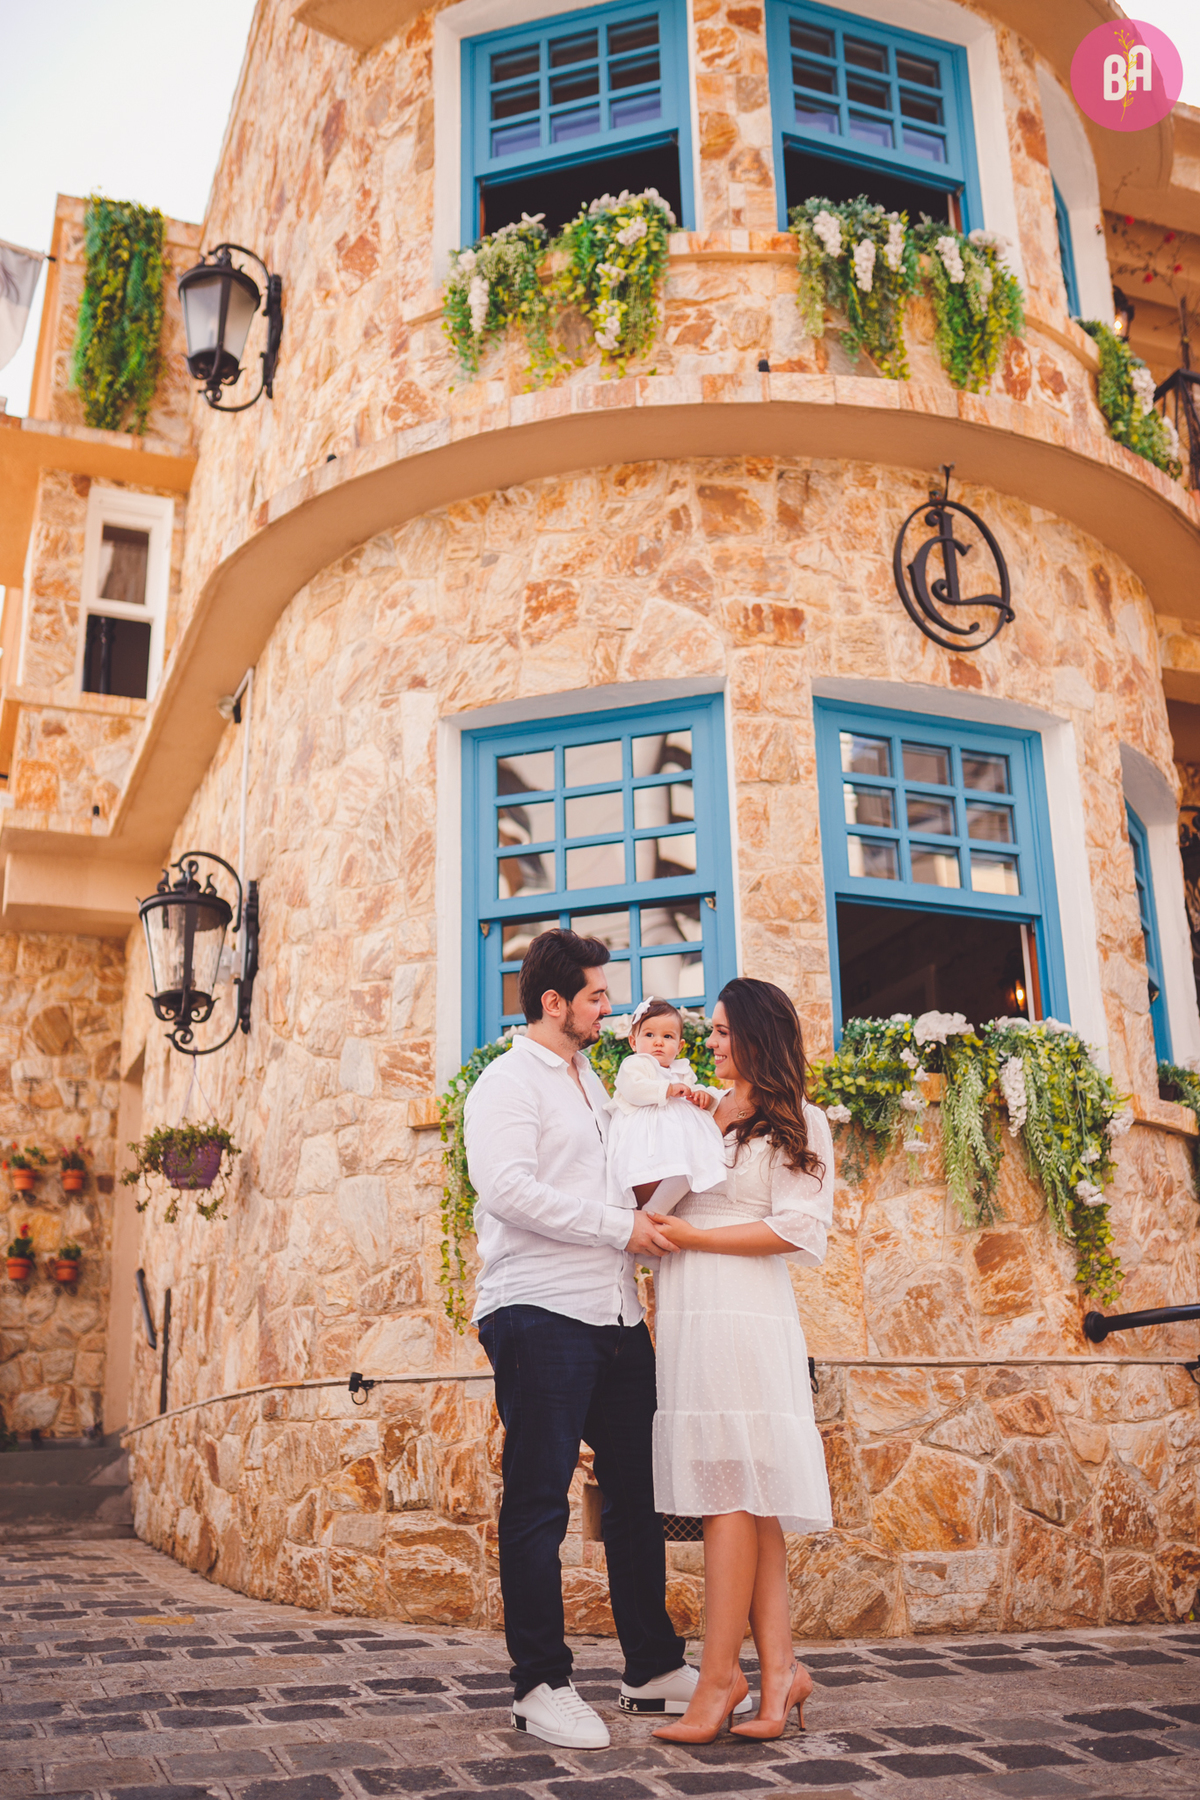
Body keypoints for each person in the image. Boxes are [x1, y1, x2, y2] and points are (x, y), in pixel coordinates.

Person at [465, 929, 709, 1751]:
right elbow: (506, 1190)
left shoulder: (594, 1083)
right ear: (554, 1003)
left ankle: (650, 1669)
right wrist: (619, 1226)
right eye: (598, 996)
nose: (612, 1007)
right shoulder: (506, 1084)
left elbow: (613, 1186)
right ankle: (539, 1684)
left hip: (614, 1317)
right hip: (537, 1313)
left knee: (638, 1496)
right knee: (537, 1503)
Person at [646, 977, 835, 1744]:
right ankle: (782, 1672)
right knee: (749, 1502)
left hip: (748, 1314)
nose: (710, 1042)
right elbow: (657, 1202)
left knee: (730, 1489)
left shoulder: (803, 1122)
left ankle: (720, 1677)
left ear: (758, 1035)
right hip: (691, 1312)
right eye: (710, 1032)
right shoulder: (698, 1111)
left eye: (723, 1032)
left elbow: (796, 1231)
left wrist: (693, 1238)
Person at [606, 996, 727, 1215]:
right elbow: (634, 1088)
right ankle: (649, 1212)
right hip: (643, 1138)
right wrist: (667, 1089)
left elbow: (692, 1088)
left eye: (667, 1036)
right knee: (648, 1174)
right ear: (633, 1042)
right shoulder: (635, 1064)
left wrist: (702, 1097)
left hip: (676, 1139)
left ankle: (656, 1212)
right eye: (649, 1035)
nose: (658, 1042)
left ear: (680, 1045)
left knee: (690, 1163)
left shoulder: (681, 1070)